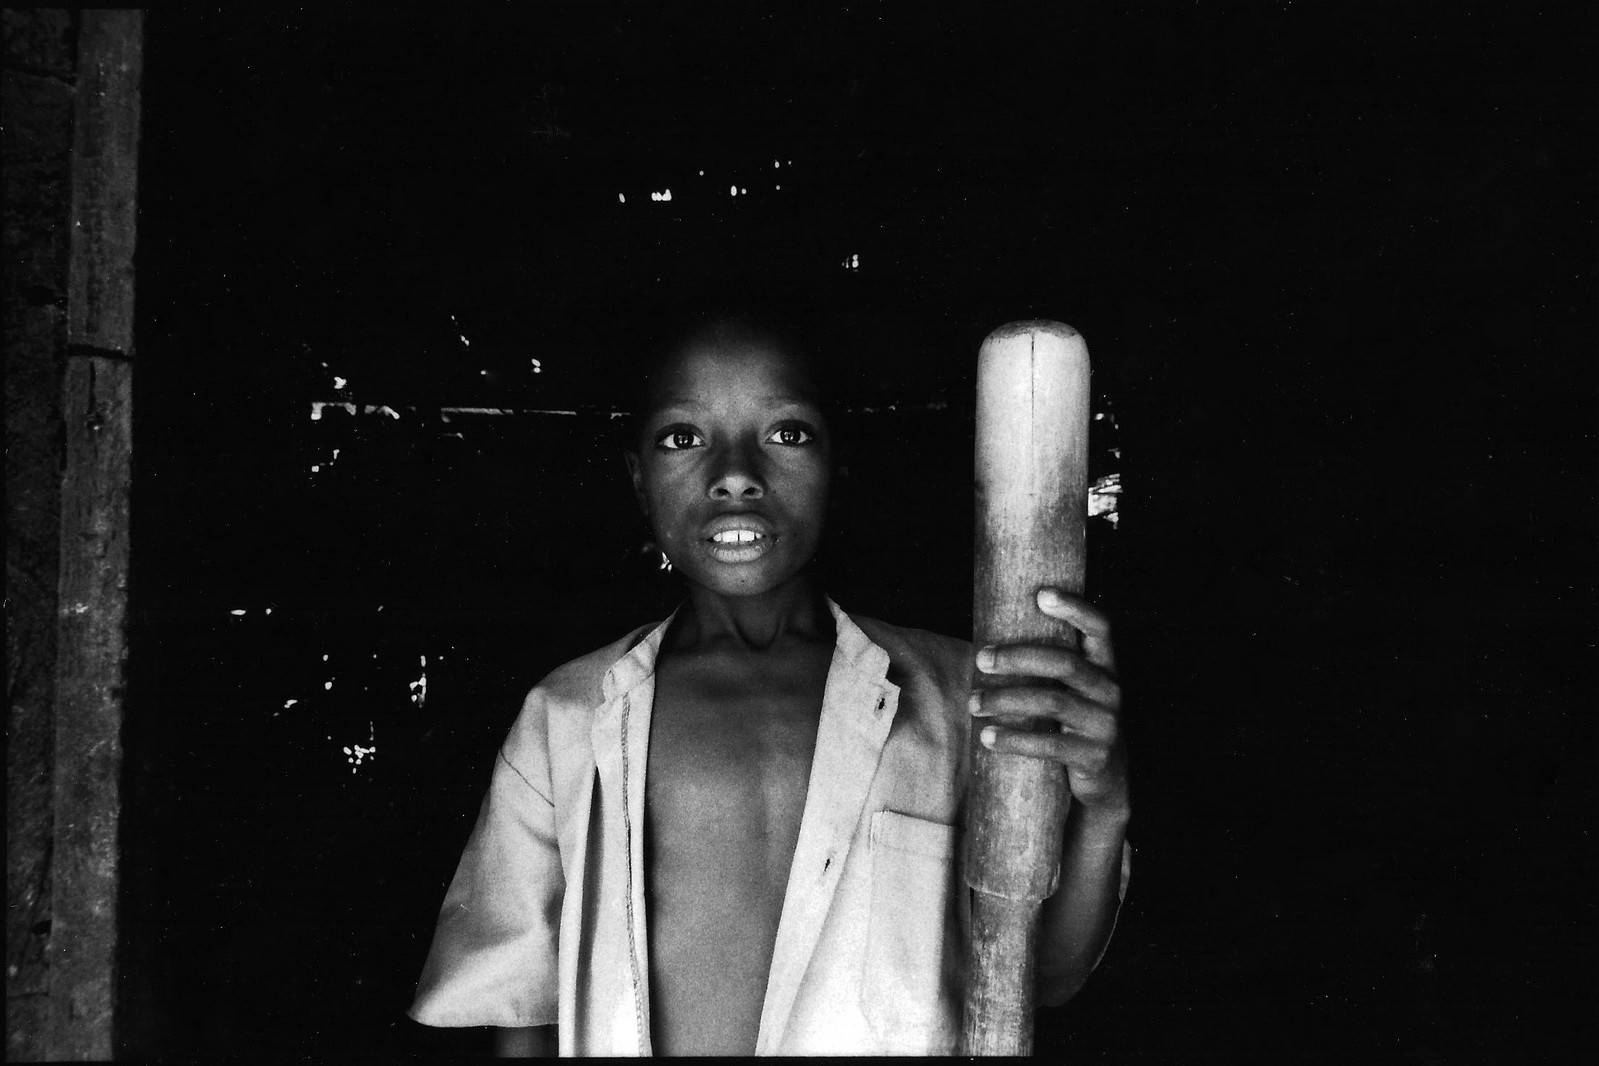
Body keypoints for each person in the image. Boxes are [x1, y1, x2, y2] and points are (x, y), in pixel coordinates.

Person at [408, 314, 1131, 1055]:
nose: (735, 473)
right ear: (637, 478)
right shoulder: (563, 720)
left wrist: (1103, 805)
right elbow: (520, 1007)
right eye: (681, 437)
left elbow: (1039, 974)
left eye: (787, 433)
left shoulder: (970, 698)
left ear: (836, 463)